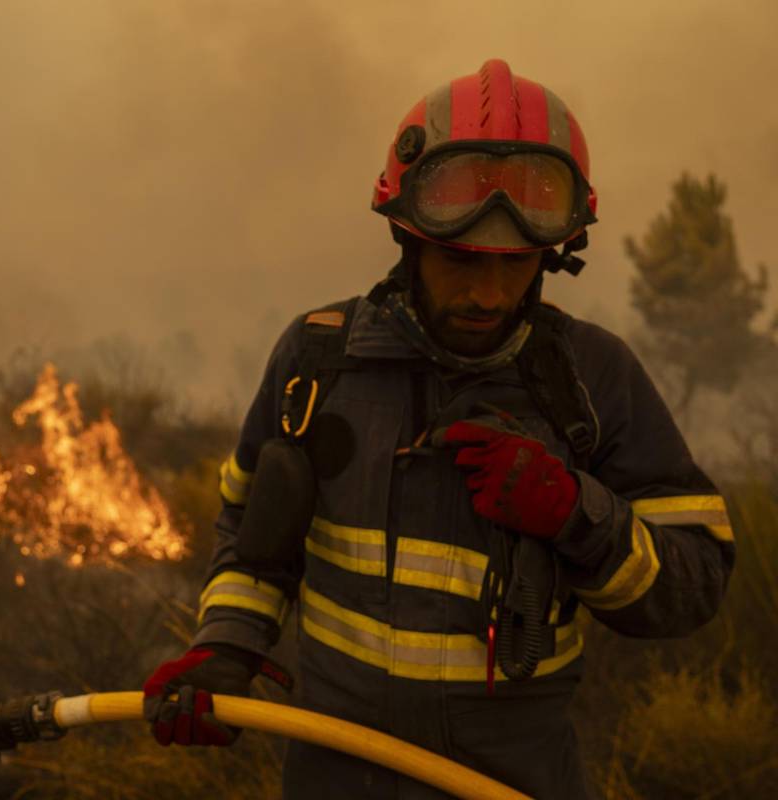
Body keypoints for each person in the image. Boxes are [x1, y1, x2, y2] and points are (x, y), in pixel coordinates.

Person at [142, 59, 735, 798]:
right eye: (460, 259)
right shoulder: (316, 360)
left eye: (515, 263)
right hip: (334, 772)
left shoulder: (593, 379)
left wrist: (577, 515)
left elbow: (694, 586)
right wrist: (226, 645)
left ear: (553, 255)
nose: (488, 293)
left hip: (512, 779)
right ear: (407, 236)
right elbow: (248, 532)